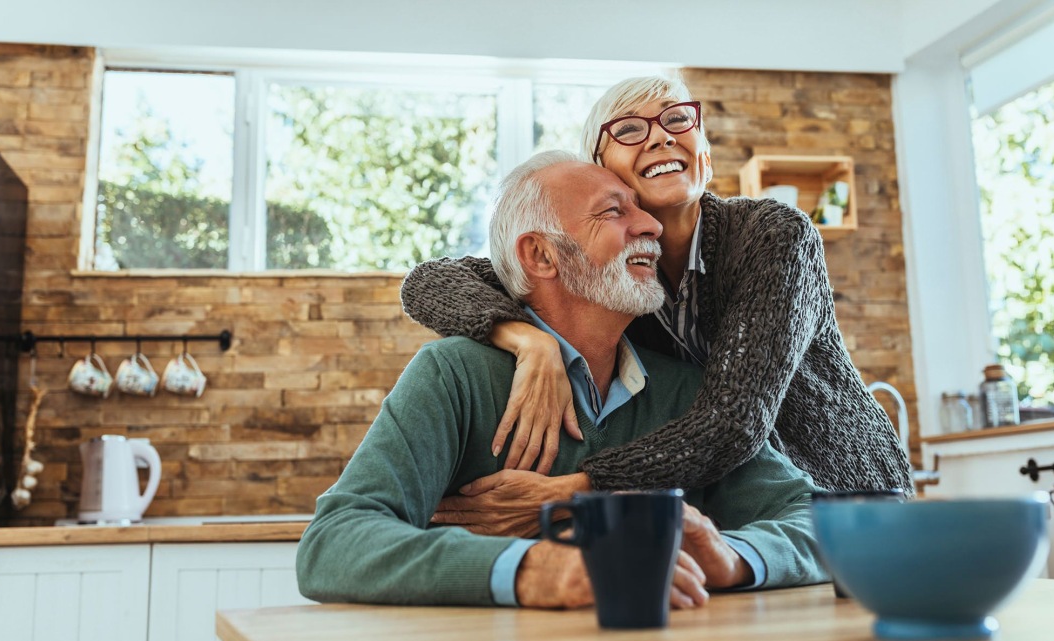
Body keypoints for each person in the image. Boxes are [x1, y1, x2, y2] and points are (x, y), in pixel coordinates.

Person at [296, 151, 828, 608]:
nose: (651, 226)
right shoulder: (454, 375)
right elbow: (334, 542)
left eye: (641, 210)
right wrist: (536, 569)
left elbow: (818, 522)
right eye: (614, 212)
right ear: (541, 255)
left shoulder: (686, 392)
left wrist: (732, 558)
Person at [401, 76, 912, 537]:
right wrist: (526, 338)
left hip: (844, 496)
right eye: (628, 129)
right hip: (737, 517)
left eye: (676, 119)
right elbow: (430, 281)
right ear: (603, 174)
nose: (662, 136)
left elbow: (733, 422)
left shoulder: (773, 236)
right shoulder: (609, 274)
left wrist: (573, 490)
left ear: (704, 155)